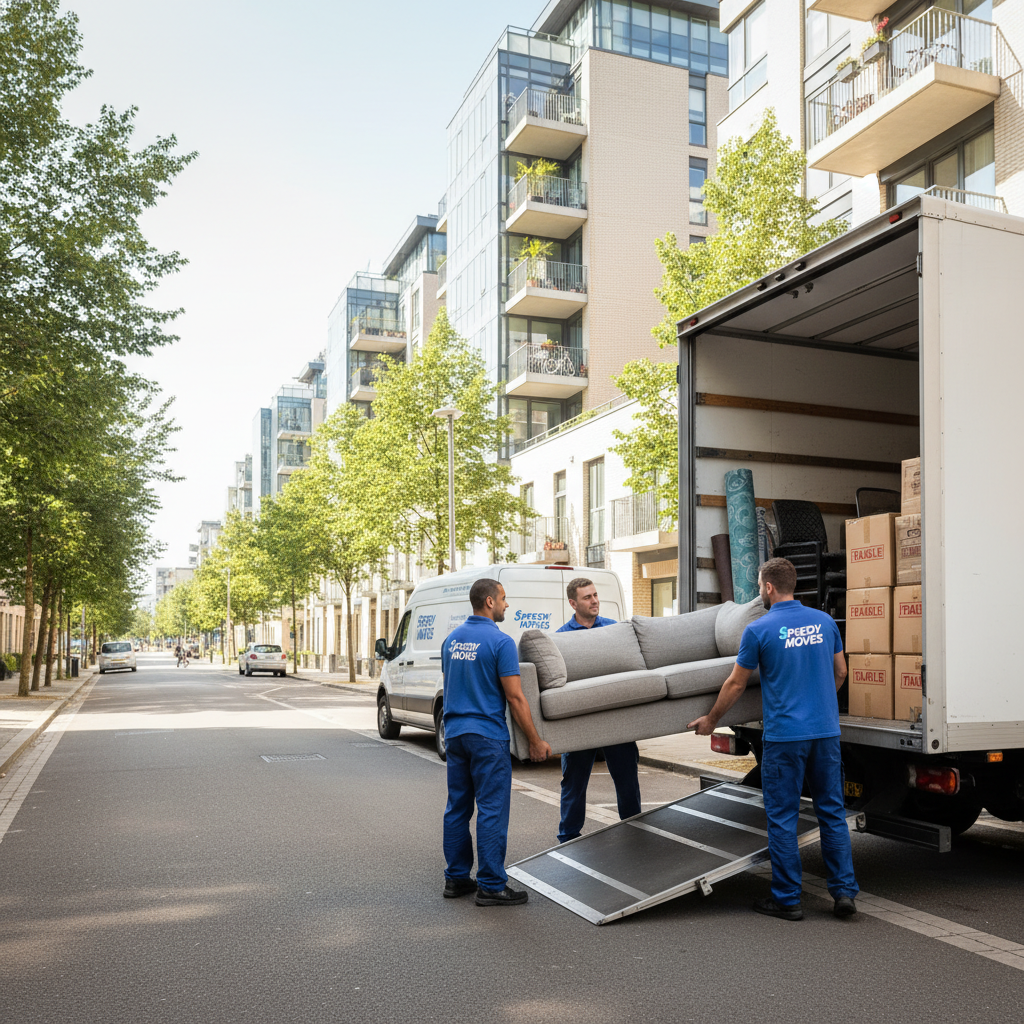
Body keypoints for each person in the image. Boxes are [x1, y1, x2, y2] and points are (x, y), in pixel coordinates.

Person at [689, 557, 858, 921]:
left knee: (783, 817)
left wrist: (711, 719)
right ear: (792, 584)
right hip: (825, 733)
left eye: (759, 587)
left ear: (768, 587)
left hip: (785, 738)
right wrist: (821, 702)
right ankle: (844, 894)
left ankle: (788, 899)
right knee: (831, 813)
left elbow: (736, 683)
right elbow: (841, 672)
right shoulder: (825, 622)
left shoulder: (759, 630)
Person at [441, 578, 552, 907]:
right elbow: (515, 698)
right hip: (487, 737)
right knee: (491, 810)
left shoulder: (451, 641)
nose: (507, 604)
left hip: (455, 734)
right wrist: (535, 740)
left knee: (457, 807)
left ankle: (457, 878)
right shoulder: (501, 643)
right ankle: (490, 883)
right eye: (503, 598)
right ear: (489, 601)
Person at [555, 577, 642, 844]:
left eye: (595, 595)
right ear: (573, 603)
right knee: (574, 781)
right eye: (586, 597)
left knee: (627, 778)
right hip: (581, 722)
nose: (594, 601)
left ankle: (634, 830)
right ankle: (568, 837)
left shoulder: (614, 630)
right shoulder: (561, 638)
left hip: (614, 719)